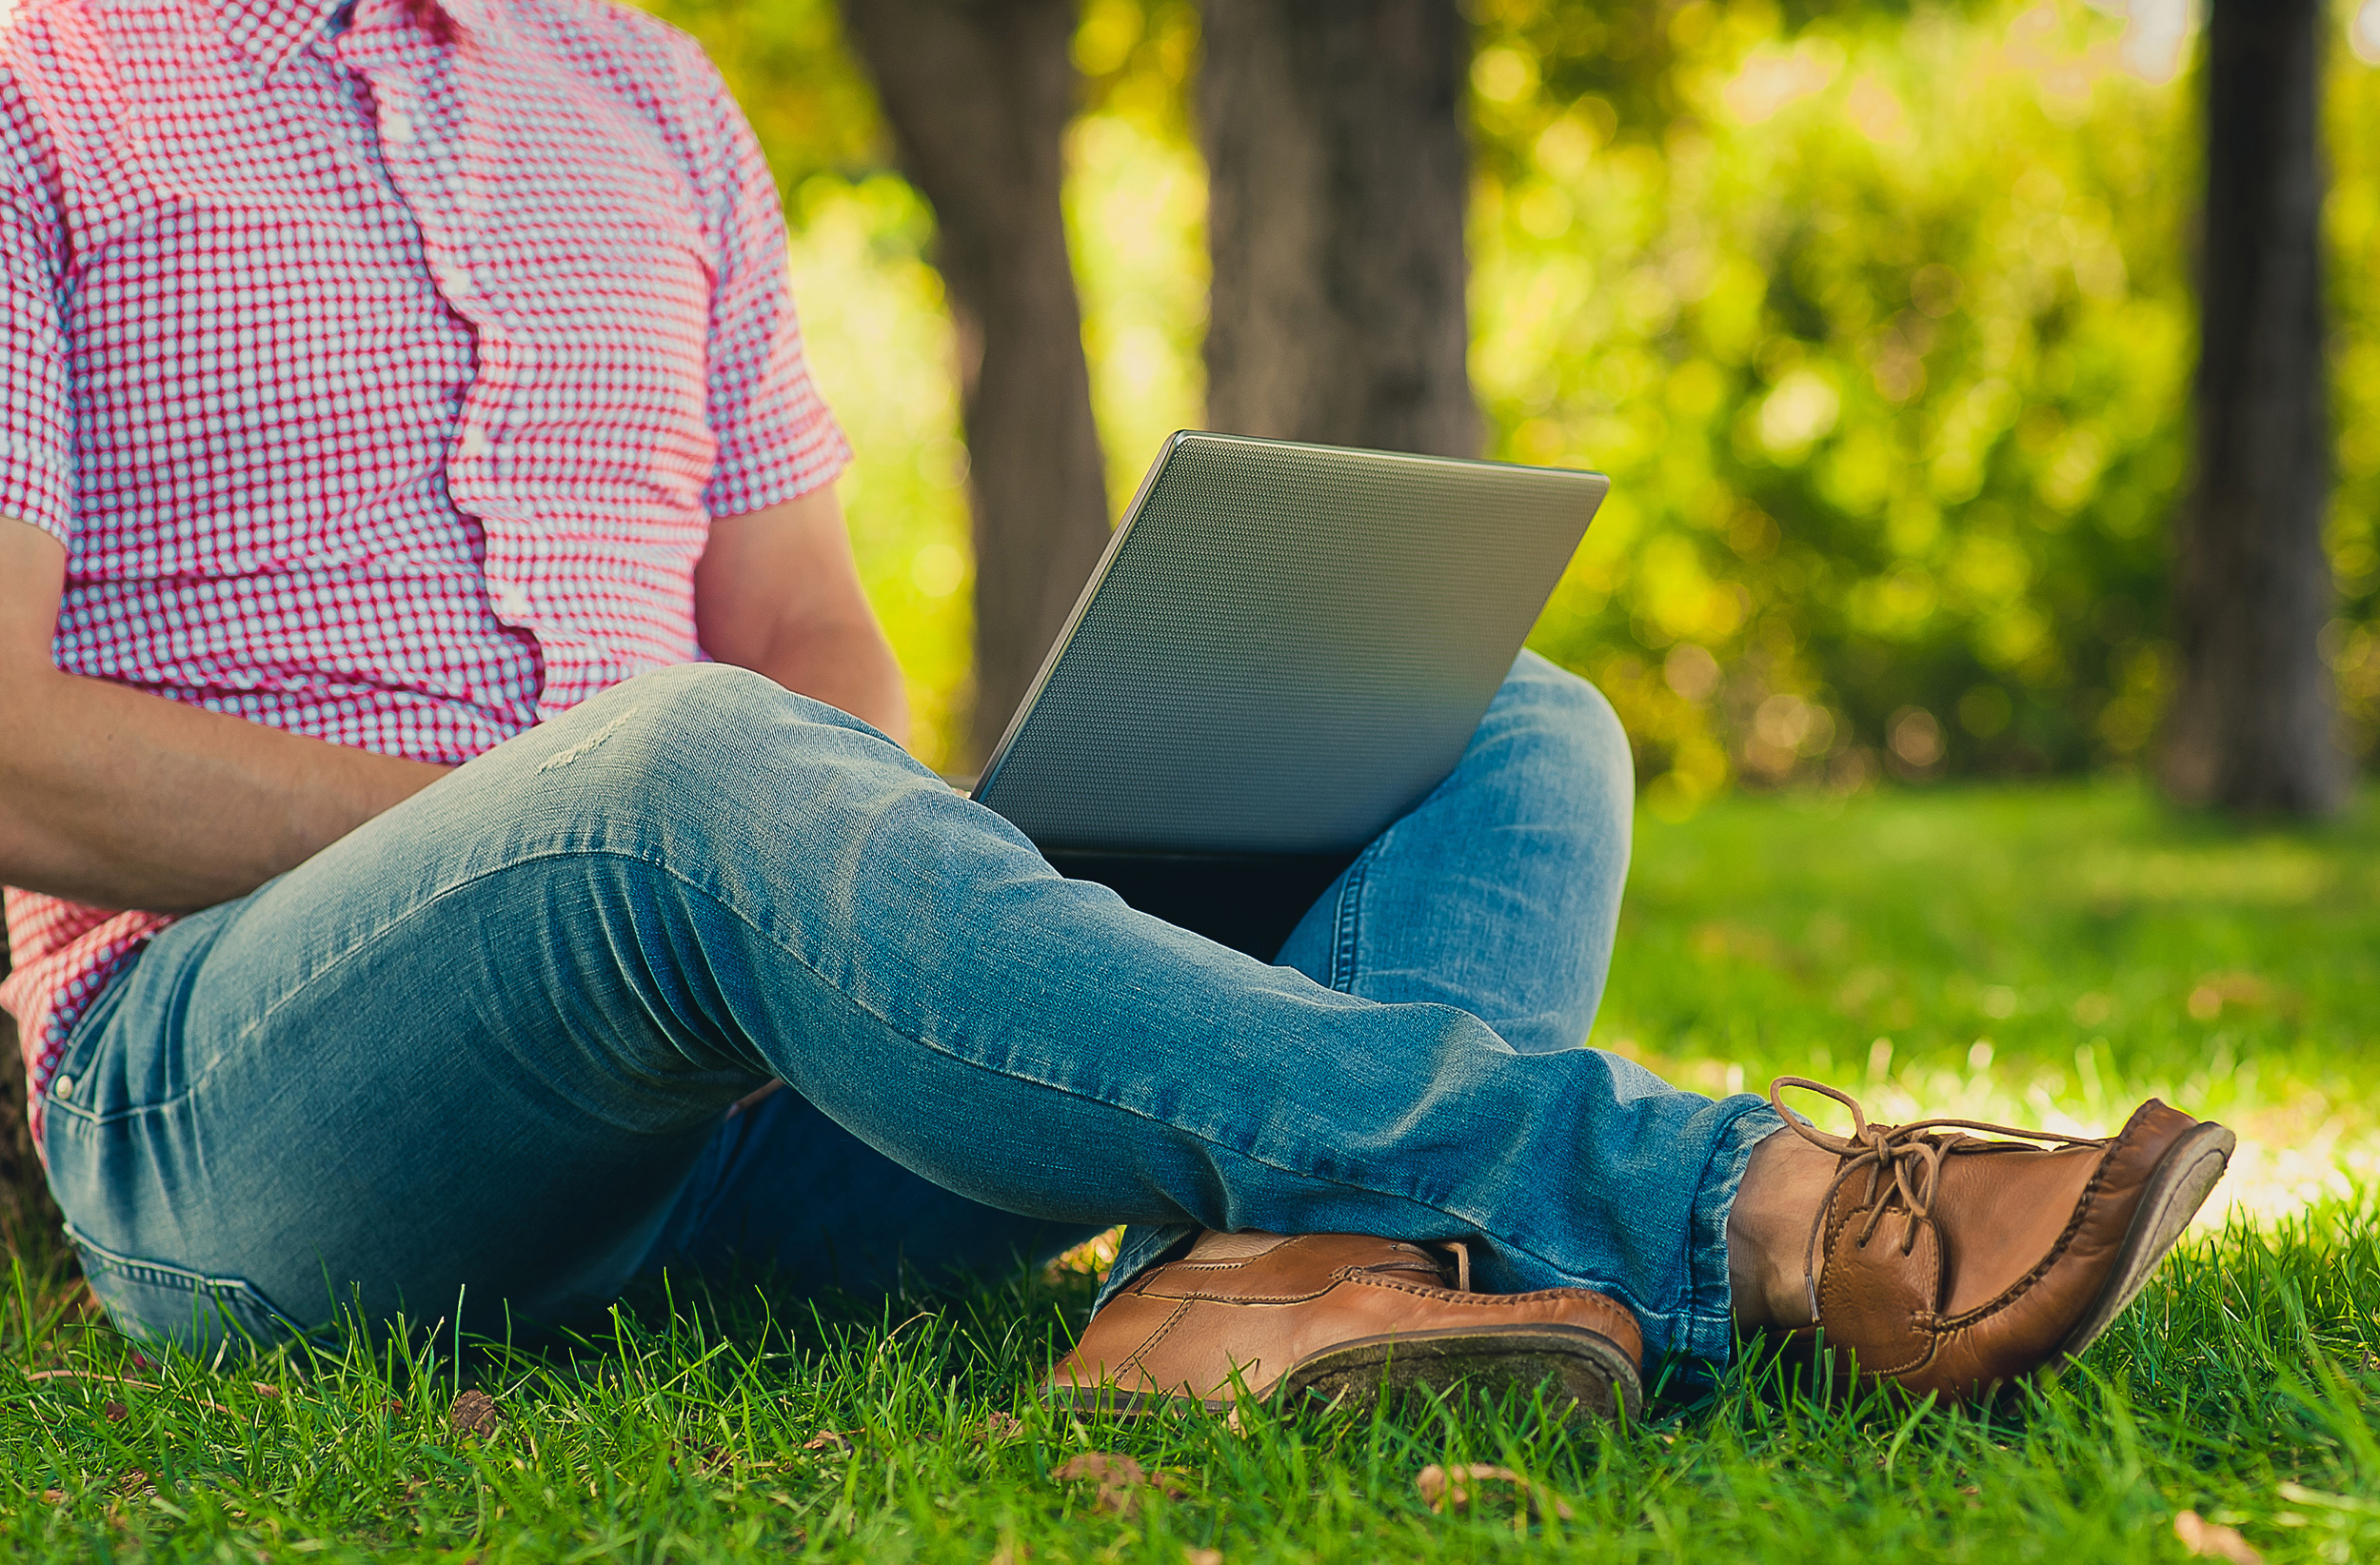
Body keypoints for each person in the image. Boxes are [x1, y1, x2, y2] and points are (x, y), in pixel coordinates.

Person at [0, 0, 2232, 1414]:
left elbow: (801, 636)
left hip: (760, 1105)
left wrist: (871, 893)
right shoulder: (34, 83)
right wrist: (617, 843)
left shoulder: (651, 93)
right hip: (254, 1111)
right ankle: (1730, 1200)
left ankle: (1263, 1298)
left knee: (1492, 719)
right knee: (679, 775)